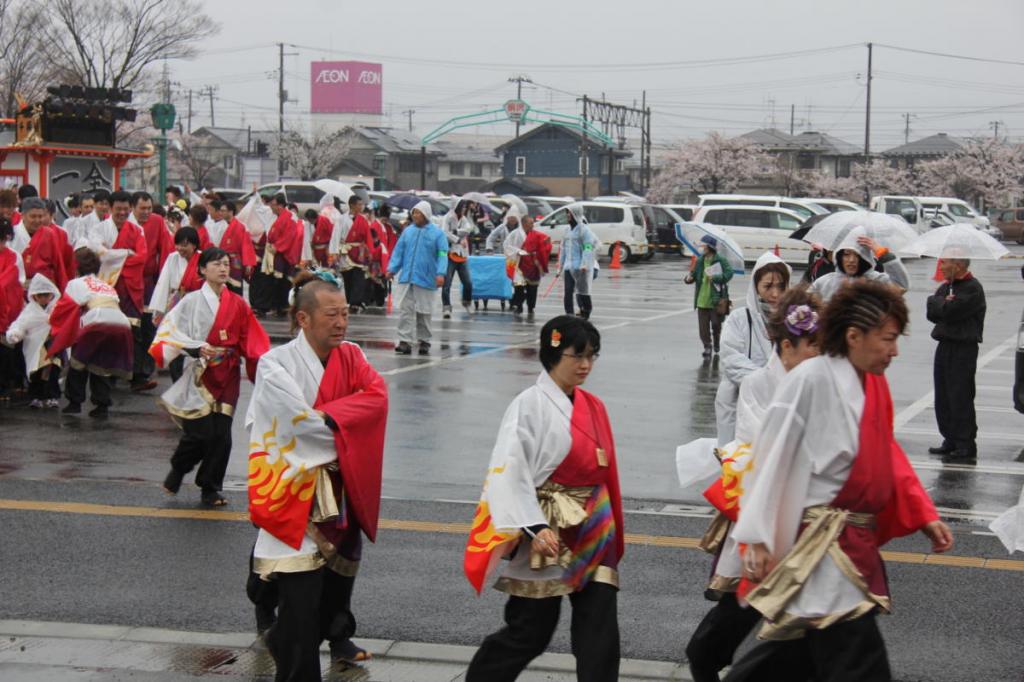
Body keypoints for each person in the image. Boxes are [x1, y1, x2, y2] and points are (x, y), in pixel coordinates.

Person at [726, 280, 954, 682]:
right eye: (887, 339)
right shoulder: (811, 379)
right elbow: (773, 457)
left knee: (796, 656)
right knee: (855, 657)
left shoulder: (872, 383)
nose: (895, 350)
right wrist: (758, 536)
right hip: (826, 545)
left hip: (850, 543)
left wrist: (923, 512)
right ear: (853, 336)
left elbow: (885, 455)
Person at [464, 315, 623, 682]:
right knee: (530, 630)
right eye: (577, 356)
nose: (586, 365)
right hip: (545, 521)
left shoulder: (593, 404)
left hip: (592, 520)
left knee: (599, 625)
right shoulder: (529, 404)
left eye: (592, 356)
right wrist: (533, 525)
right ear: (553, 354)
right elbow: (510, 467)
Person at [246, 271, 387, 679]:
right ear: (303, 318)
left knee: (334, 586)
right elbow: (296, 424)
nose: (342, 322)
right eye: (332, 315)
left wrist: (331, 418)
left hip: (339, 490)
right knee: (300, 606)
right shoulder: (275, 364)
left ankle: (302, 634)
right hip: (293, 488)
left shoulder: (353, 355)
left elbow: (377, 398)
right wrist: (346, 424)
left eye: (345, 313)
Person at [684, 286, 821, 682]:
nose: (816, 352)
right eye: (810, 344)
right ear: (783, 344)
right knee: (736, 613)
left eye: (819, 343)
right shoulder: (760, 384)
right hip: (765, 513)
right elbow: (754, 444)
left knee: (797, 634)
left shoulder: (819, 385)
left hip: (805, 522)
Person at [151, 248, 268, 507]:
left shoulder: (238, 304)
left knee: (222, 435)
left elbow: (253, 340)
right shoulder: (191, 301)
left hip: (226, 372)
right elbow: (169, 331)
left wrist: (265, 364)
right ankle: (179, 468)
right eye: (217, 264)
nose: (223, 269)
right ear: (203, 270)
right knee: (199, 433)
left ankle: (211, 487)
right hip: (200, 371)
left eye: (227, 264)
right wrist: (193, 346)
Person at [47, 248, 134, 417]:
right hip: (122, 324)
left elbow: (65, 309)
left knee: (78, 361)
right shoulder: (106, 285)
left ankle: (74, 401)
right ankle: (102, 405)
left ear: (76, 267)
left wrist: (52, 325)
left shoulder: (75, 284)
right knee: (102, 364)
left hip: (96, 321)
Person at [715, 252, 790, 445]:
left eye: (781, 287)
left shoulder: (793, 320)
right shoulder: (739, 319)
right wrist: (767, 380)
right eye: (768, 286)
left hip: (778, 405)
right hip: (740, 403)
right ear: (756, 287)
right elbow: (731, 359)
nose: (775, 294)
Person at [926, 257, 986, 464]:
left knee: (960, 394)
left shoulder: (973, 288)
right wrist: (941, 302)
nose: (941, 267)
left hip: (963, 348)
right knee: (943, 394)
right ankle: (949, 438)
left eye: (945, 263)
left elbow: (951, 312)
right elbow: (932, 311)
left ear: (958, 265)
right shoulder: (947, 287)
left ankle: (965, 443)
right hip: (944, 345)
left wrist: (941, 304)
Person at [385, 201, 448, 356]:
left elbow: (442, 254)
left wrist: (440, 273)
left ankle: (424, 341)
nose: (415, 216)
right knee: (405, 311)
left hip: (426, 279)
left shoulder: (437, 234)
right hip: (408, 278)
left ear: (426, 214)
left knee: (424, 312)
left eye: (418, 213)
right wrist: (392, 269)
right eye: (414, 213)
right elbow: (399, 251)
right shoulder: (408, 232)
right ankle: (404, 341)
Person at [4, 274, 62, 409]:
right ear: (34, 296)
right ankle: (37, 396)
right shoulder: (29, 311)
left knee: (53, 371)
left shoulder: (56, 309)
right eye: (40, 296)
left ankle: (52, 396)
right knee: (36, 373)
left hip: (52, 346)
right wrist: (15, 334)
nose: (43, 299)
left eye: (46, 295)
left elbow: (66, 323)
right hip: (36, 348)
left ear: (51, 295)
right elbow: (20, 324)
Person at [809, 228, 909, 303]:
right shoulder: (825, 282)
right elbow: (805, 305)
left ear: (865, 258)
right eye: (847, 254)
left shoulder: (876, 281)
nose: (851, 260)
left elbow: (901, 286)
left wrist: (882, 253)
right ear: (839, 256)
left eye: (858, 255)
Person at [684, 235, 734, 358]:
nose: (702, 247)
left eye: (704, 245)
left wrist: (716, 278)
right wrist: (688, 279)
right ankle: (707, 346)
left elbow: (729, 273)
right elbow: (694, 275)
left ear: (710, 247)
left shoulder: (720, 260)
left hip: (715, 299)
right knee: (703, 328)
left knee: (716, 324)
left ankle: (716, 341)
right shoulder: (700, 260)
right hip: (702, 299)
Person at [259, 194, 302, 318]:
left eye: (273, 205)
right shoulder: (277, 217)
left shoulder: (288, 218)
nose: (271, 207)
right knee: (273, 281)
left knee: (281, 281)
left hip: (281, 254)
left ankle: (281, 306)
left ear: (280, 205)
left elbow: (289, 236)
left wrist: (277, 247)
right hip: (274, 252)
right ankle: (275, 305)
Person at [0, 217, 26, 405]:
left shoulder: (14, 256)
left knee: (8, 349)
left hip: (8, 306)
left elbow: (16, 279)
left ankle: (7, 383)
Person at [505, 215, 551, 318]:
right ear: (524, 223)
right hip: (520, 264)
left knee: (532, 288)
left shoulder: (536, 234)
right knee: (519, 287)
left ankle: (531, 307)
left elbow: (545, 242)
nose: (533, 225)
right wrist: (519, 251)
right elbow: (507, 246)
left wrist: (545, 243)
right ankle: (519, 306)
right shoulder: (515, 234)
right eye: (531, 223)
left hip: (532, 264)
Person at [19, 197, 68, 293]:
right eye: (33, 216)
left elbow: (59, 266)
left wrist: (63, 292)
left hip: (45, 290)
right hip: (19, 288)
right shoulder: (14, 234)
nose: (37, 220)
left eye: (40, 216)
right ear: (23, 216)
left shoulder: (49, 234)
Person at [559, 205, 599, 320]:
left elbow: (588, 247)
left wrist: (584, 263)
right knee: (568, 291)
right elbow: (563, 249)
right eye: (566, 213)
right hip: (568, 266)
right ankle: (569, 314)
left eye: (569, 213)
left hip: (580, 267)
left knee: (582, 292)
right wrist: (561, 265)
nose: (567, 215)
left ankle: (586, 311)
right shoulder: (566, 230)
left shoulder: (584, 230)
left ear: (575, 214)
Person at [441, 199, 477, 318]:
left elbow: (468, 229)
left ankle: (467, 302)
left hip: (462, 254)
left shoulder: (463, 219)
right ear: (456, 207)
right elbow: (444, 233)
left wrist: (455, 231)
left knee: (468, 282)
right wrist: (457, 239)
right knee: (447, 284)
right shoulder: (447, 218)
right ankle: (446, 307)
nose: (464, 209)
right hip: (450, 254)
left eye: (465, 207)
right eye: (462, 207)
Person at [338, 195, 374, 312]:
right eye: (359, 204)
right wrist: (334, 252)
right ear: (352, 205)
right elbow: (336, 236)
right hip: (345, 250)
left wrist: (370, 251)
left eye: (362, 204)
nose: (361, 206)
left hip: (359, 252)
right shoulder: (341, 219)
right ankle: (349, 300)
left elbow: (368, 237)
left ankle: (355, 302)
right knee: (347, 277)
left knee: (358, 277)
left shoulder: (363, 220)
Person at [217, 200, 257, 296]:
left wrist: (248, 263)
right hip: (221, 258)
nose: (221, 213)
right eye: (220, 210)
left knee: (235, 286)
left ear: (230, 212)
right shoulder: (219, 225)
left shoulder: (240, 227)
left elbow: (246, 245)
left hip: (235, 260)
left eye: (223, 211)